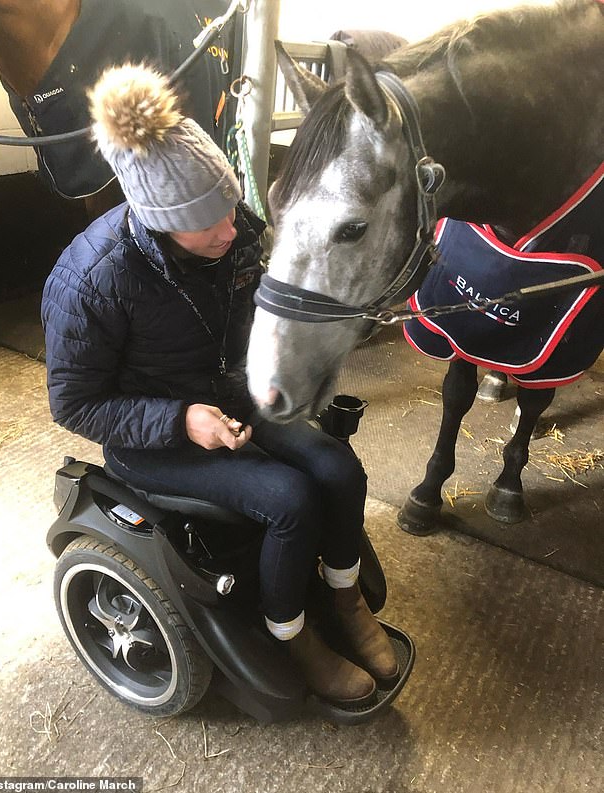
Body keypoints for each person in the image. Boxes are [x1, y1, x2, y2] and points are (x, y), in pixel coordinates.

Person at [42, 63, 399, 707]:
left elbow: (274, 303)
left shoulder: (233, 239)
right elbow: (75, 403)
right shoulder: (90, 281)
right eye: (211, 224)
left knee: (339, 468)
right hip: (155, 440)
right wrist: (184, 420)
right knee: (289, 497)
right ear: (160, 220)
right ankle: (289, 634)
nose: (232, 231)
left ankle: (345, 601)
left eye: (231, 209)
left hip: (237, 395)